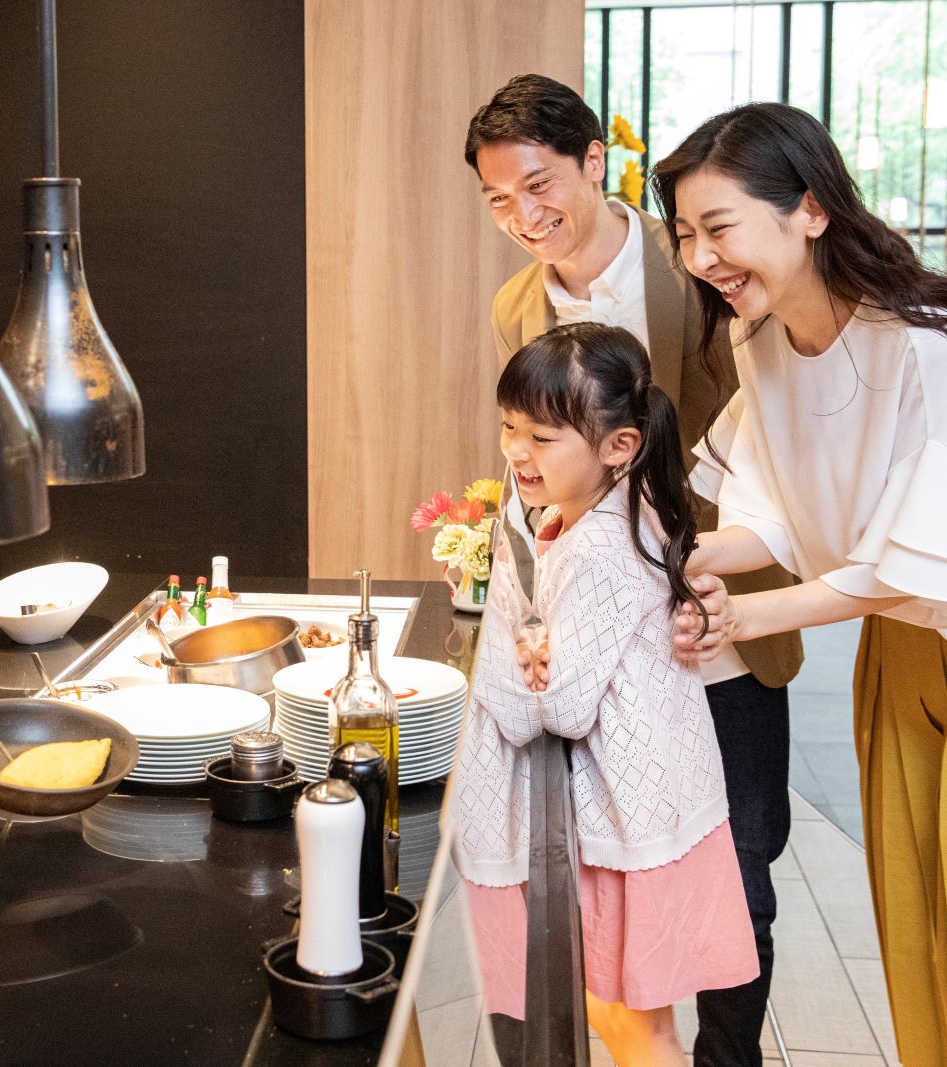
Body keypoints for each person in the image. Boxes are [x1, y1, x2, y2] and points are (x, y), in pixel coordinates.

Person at [464, 74, 802, 1066]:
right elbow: (536, 464)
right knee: (619, 881)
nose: (523, 218)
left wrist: (703, 567)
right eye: (497, 200)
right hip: (607, 654)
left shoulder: (695, 266)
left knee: (742, 876)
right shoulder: (514, 304)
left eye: (538, 186)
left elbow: (771, 441)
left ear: (593, 162)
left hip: (718, 619)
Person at [654, 101, 947, 1067]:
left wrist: (746, 612)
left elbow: (908, 559)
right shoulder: (761, 340)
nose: (702, 257)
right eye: (686, 234)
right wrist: (681, 563)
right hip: (904, 653)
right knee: (913, 909)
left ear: (811, 210)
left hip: (921, 619)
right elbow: (774, 513)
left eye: (719, 226)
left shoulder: (924, 342)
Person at [454, 321, 759, 1067]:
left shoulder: (598, 545)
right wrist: (532, 646)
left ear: (618, 445)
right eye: (509, 427)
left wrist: (510, 658)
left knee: (632, 1028)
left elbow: (553, 705)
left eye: (542, 437)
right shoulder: (609, 512)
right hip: (644, 812)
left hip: (626, 822)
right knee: (629, 1020)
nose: (516, 451)